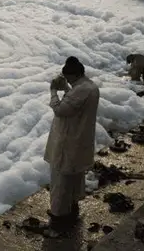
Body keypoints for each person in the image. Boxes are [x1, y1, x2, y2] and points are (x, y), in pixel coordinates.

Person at [45, 56, 100, 231]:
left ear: (74, 74)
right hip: (79, 140)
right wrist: (67, 88)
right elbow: (75, 102)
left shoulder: (81, 90)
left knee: (61, 180)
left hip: (68, 142)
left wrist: (54, 91)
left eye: (67, 77)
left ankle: (58, 218)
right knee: (74, 179)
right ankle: (71, 211)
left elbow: (61, 110)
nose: (66, 80)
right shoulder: (88, 86)